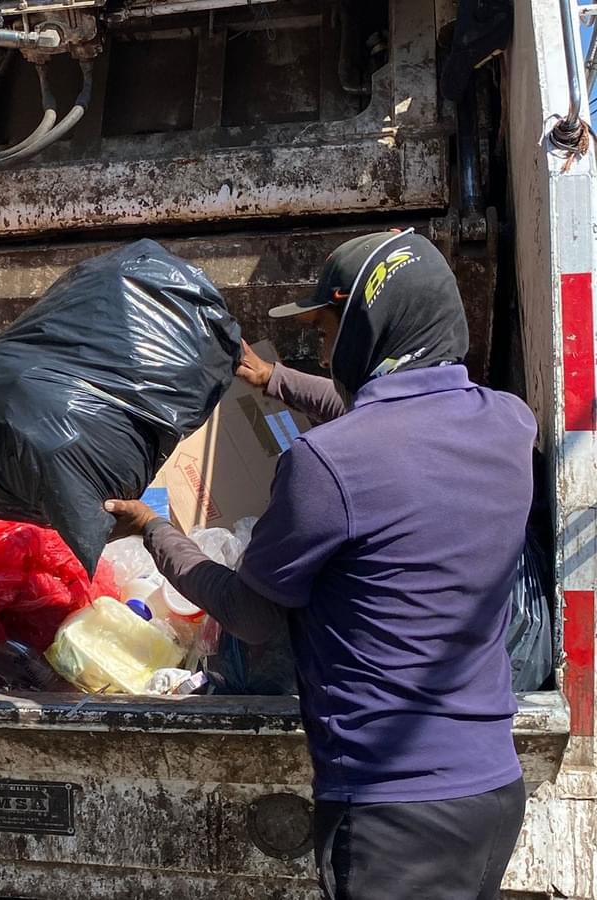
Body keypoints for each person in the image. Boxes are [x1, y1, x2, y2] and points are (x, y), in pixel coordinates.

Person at [104, 229, 536, 900]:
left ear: (375, 328)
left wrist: (157, 531)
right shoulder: (507, 424)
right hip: (493, 790)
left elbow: (252, 615)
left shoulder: (324, 465)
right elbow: (398, 414)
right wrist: (272, 379)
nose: (331, 351)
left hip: (394, 811)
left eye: (336, 330)